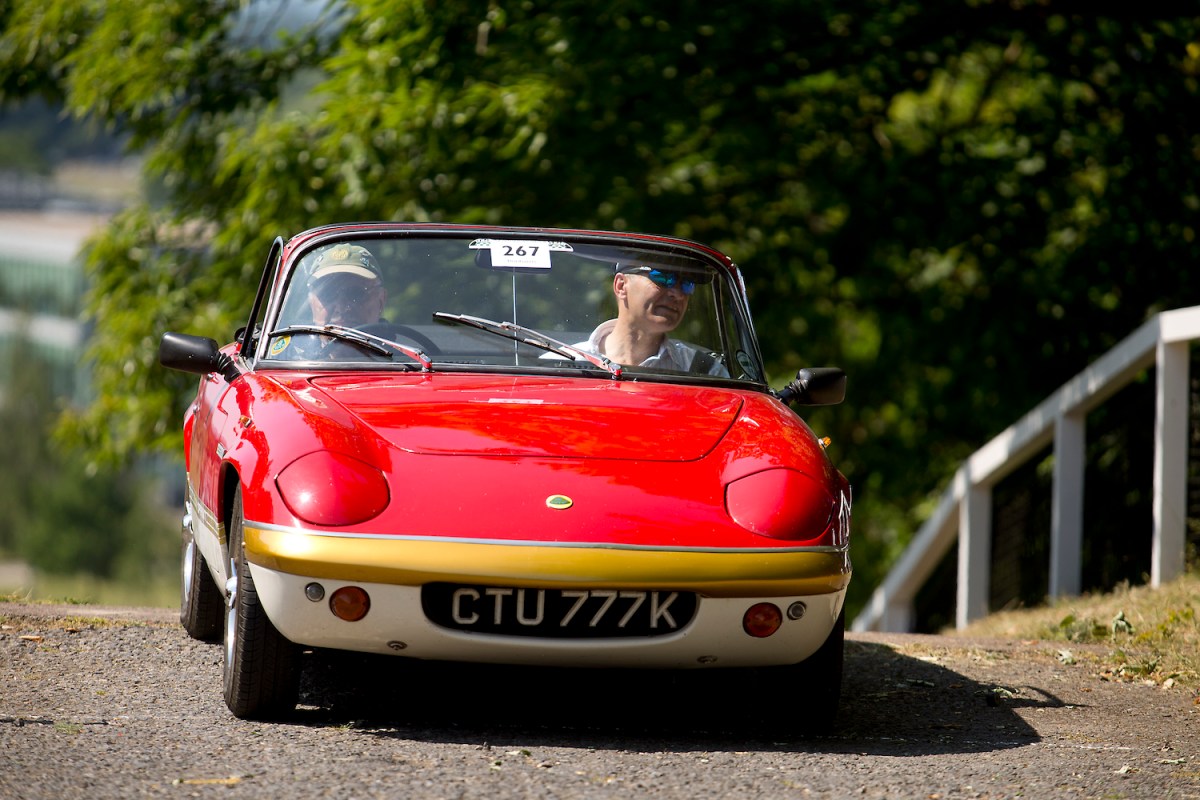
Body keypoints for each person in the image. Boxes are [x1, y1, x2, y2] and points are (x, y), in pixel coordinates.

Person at [576, 262, 728, 376]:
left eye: (687, 284)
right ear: (621, 286)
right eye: (663, 277)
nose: (679, 294)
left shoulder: (706, 371)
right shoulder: (565, 362)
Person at [275, 243, 388, 360]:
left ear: (381, 300)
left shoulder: (405, 355)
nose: (341, 308)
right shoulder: (283, 357)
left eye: (356, 293)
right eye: (327, 293)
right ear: (312, 303)